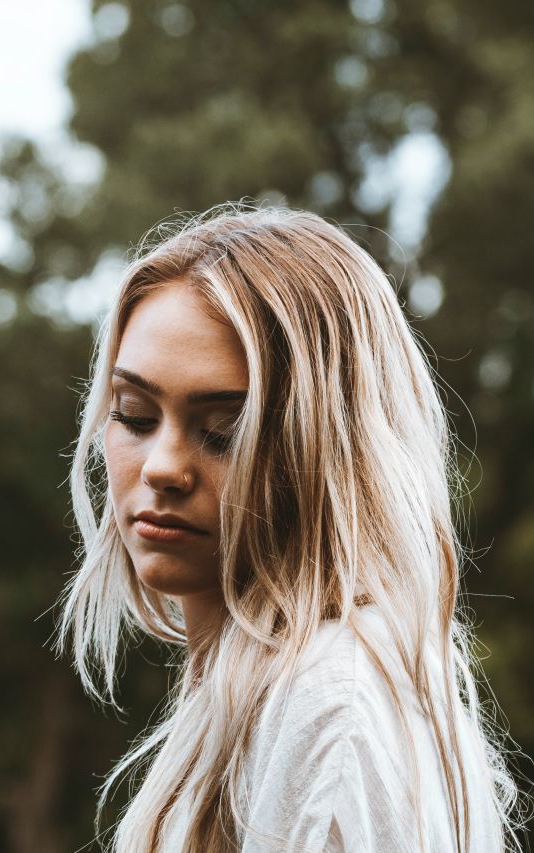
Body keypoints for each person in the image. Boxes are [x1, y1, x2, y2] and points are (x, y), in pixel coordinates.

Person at [55, 204, 524, 851]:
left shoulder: (330, 709)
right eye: (134, 414)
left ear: (325, 448)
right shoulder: (253, 698)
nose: (162, 467)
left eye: (224, 430)